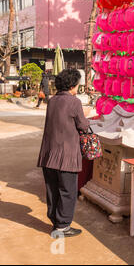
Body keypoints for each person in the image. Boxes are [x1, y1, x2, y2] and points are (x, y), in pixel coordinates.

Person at [37, 69, 90, 238]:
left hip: (49, 153)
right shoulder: (74, 102)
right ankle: (63, 226)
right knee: (68, 190)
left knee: (52, 189)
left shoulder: (52, 100)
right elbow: (83, 126)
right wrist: (87, 116)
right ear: (72, 85)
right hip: (66, 155)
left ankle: (56, 221)